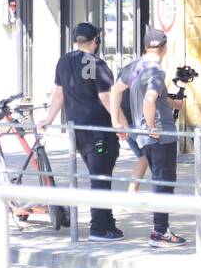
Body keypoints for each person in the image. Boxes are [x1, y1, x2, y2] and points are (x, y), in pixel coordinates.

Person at [38, 23, 123, 242]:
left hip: (77, 131)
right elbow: (107, 99)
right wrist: (120, 123)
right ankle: (98, 229)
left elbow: (59, 94)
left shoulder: (64, 61)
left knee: (100, 176)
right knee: (100, 178)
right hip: (99, 131)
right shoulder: (99, 65)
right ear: (96, 41)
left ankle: (108, 223)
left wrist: (48, 119)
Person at [112, 28, 187, 248]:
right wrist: (153, 126)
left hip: (145, 136)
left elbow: (115, 91)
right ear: (164, 47)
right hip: (160, 136)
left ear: (146, 47)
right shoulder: (155, 71)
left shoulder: (134, 67)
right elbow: (149, 100)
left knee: (159, 180)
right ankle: (160, 232)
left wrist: (116, 121)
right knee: (164, 183)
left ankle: (161, 229)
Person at [111, 57, 150, 194]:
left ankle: (132, 191)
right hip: (137, 124)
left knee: (144, 157)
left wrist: (119, 123)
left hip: (126, 124)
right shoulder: (145, 73)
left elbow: (116, 99)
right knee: (147, 157)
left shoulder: (124, 73)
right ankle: (133, 191)